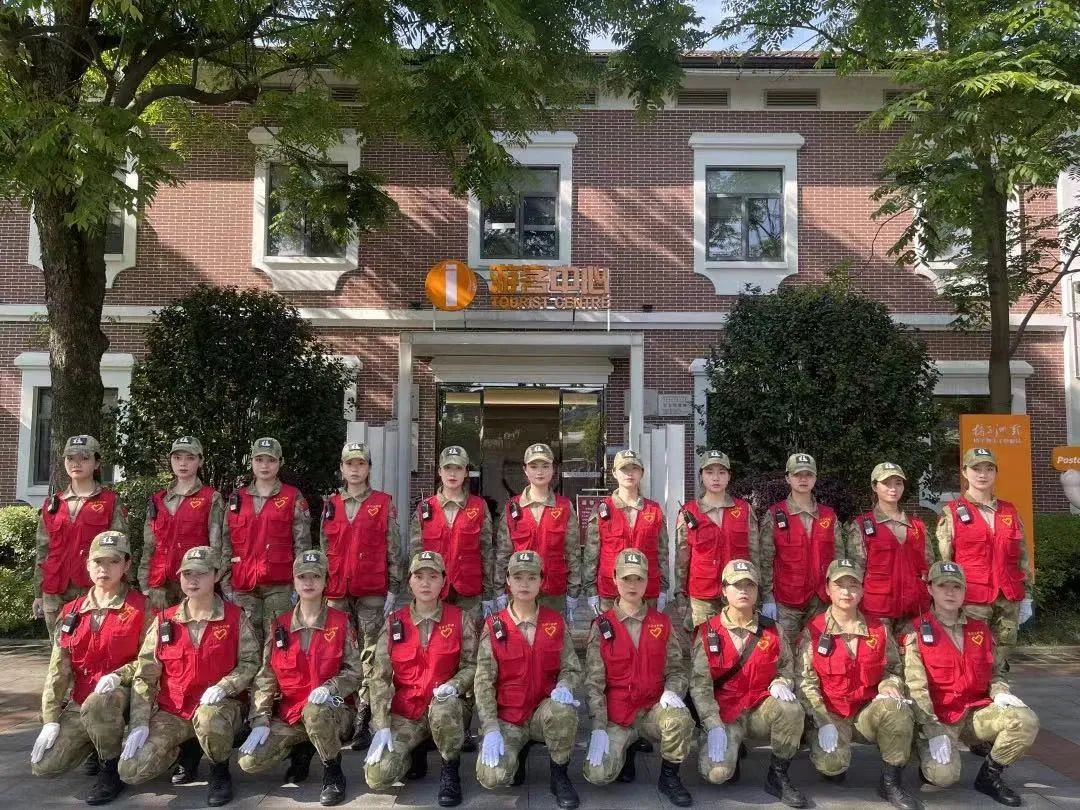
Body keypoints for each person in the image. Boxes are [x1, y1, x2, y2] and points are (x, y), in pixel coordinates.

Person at [118, 546, 260, 807]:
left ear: (216, 575)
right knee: (131, 770)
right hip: (174, 711)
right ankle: (184, 750)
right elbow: (145, 674)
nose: (192, 580)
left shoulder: (234, 617)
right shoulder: (165, 620)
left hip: (219, 708)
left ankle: (219, 770)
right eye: (187, 574)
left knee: (208, 717)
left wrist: (225, 686)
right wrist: (139, 722)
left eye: (201, 574)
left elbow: (251, 663)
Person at [901, 561, 1039, 806]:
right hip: (939, 718)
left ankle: (989, 776)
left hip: (975, 714)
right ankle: (925, 756)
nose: (950, 592)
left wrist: (1000, 692)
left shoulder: (980, 629)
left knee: (1025, 720)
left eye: (957, 587)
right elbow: (915, 688)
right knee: (942, 777)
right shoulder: (915, 631)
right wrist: (932, 731)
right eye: (943, 586)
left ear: (965, 591)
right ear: (930, 589)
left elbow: (996, 673)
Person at [30, 531, 151, 805]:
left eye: (113, 561)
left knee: (99, 704)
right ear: (87, 565)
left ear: (126, 565)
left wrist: (119, 675)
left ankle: (110, 768)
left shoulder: (141, 608)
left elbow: (149, 662)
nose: (103, 569)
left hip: (126, 695)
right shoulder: (71, 612)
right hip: (81, 700)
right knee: (45, 765)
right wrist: (50, 719)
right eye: (98, 562)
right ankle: (95, 744)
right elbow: (57, 670)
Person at [238, 549, 361, 807]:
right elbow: (266, 675)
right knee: (250, 761)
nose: (308, 582)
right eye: (302, 577)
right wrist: (260, 718)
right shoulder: (280, 625)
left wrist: (331, 687)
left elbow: (355, 672)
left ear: (325, 581)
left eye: (315, 577)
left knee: (315, 712)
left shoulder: (340, 622)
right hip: (291, 713)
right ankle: (303, 748)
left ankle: (332, 770)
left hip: (333, 710)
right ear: (293, 581)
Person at [797, 559, 920, 810]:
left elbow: (893, 669)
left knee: (897, 709)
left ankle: (891, 782)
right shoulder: (814, 630)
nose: (846, 592)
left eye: (853, 585)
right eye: (839, 585)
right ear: (827, 589)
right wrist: (822, 720)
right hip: (832, 713)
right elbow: (805, 682)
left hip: (866, 711)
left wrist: (890, 684)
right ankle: (827, 753)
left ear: (862, 590)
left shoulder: (878, 629)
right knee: (831, 765)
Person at [365, 550, 477, 808]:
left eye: (433, 576)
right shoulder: (395, 622)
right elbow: (379, 677)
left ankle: (450, 769)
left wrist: (454, 685)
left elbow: (472, 666)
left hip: (448, 709)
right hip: (408, 712)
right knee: (378, 776)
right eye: (419, 576)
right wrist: (381, 724)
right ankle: (415, 751)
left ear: (443, 582)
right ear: (410, 582)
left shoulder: (460, 619)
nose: (426, 583)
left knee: (444, 707)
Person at [691, 559, 807, 808]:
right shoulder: (708, 632)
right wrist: (712, 725)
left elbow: (787, 667)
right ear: (724, 590)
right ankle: (722, 747)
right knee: (717, 774)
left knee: (791, 709)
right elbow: (700, 686)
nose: (743, 591)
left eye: (749, 585)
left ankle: (778, 776)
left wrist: (781, 682)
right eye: (737, 585)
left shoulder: (773, 630)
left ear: (757, 591)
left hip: (759, 708)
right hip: (725, 714)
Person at [583, 549, 694, 807]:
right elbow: (594, 684)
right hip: (618, 715)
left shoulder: (662, 623)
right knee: (597, 774)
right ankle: (627, 748)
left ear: (647, 581)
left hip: (652, 710)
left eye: (639, 579)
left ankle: (669, 777)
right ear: (614, 578)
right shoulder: (602, 626)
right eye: (626, 578)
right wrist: (598, 727)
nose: (632, 585)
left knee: (679, 719)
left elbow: (677, 670)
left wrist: (672, 691)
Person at [474, 550, 582, 809]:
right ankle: (517, 754)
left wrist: (565, 686)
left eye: (532, 577)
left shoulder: (555, 622)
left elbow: (571, 668)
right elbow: (483, 682)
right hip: (509, 717)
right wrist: (490, 728)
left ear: (541, 581)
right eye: (518, 577)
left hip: (544, 713)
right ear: (508, 581)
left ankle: (559, 775)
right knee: (493, 776)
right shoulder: (494, 625)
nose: (524, 584)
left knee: (564, 711)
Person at [320, 440, 401, 751]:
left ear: (369, 468)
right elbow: (324, 547)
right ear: (341, 468)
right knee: (339, 653)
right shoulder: (331, 504)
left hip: (372, 590)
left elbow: (393, 546)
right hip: (337, 591)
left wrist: (394, 586)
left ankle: (364, 719)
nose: (355, 469)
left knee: (370, 655)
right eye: (349, 464)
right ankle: (341, 712)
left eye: (361, 464)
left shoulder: (382, 502)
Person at [937, 448, 1033, 658]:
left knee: (1001, 659)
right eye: (976, 469)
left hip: (1008, 597)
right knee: (974, 657)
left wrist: (1027, 596)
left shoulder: (1009, 511)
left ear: (996, 473)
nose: (983, 475)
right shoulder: (952, 513)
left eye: (989, 469)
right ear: (965, 472)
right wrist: (947, 600)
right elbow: (945, 564)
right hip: (971, 599)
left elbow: (1022, 556)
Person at [220, 437, 312, 646]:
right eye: (259, 460)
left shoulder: (292, 496)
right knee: (247, 643)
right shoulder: (237, 498)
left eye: (271, 460)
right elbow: (226, 543)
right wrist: (225, 582)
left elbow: (302, 544)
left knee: (278, 641)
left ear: (280, 462)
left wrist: (300, 583)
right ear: (251, 462)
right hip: (243, 584)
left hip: (280, 584)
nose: (264, 465)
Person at [34, 435, 128, 637]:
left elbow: (120, 552)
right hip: (55, 589)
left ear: (97, 463)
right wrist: (38, 593)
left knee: (91, 645)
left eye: (84, 458)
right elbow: (43, 551)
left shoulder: (110, 502)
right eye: (70, 458)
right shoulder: (53, 504)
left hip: (94, 588)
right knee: (58, 648)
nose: (76, 463)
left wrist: (118, 590)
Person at [759, 453, 841, 649]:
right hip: (786, 600)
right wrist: (767, 597)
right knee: (784, 651)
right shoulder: (775, 515)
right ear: (788, 478)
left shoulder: (829, 516)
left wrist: (837, 593)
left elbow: (839, 558)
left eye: (808, 475)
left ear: (815, 478)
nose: (803, 479)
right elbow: (765, 559)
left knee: (819, 652)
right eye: (797, 475)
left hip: (821, 600)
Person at [408, 445, 495, 626]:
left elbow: (486, 551)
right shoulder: (425, 508)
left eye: (458, 468)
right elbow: (415, 554)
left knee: (469, 639)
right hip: (433, 590)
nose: (452, 474)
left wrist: (489, 593)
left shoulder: (479, 507)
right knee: (436, 640)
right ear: (440, 471)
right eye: (448, 468)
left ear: (466, 472)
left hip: (469, 591)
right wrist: (414, 591)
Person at [494, 443, 581, 621]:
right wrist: (499, 590)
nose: (539, 472)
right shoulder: (512, 507)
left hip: (554, 591)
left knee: (552, 636)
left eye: (545, 466)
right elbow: (503, 553)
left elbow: (572, 553)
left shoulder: (564, 506)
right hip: (520, 590)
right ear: (525, 470)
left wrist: (573, 592)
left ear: (553, 469)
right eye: (533, 466)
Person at [675, 450, 761, 628]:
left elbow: (755, 554)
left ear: (729, 476)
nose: (716, 478)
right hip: (702, 595)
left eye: (721, 472)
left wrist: (760, 592)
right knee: (705, 641)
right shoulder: (688, 512)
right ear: (701, 476)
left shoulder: (744, 510)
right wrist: (680, 593)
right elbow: (682, 558)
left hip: (739, 590)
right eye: (709, 472)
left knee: (738, 641)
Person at [140, 436, 224, 611]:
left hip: (195, 581)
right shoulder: (158, 500)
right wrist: (144, 583)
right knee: (160, 627)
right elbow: (149, 545)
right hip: (160, 584)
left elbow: (216, 547)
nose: (183, 463)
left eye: (190, 458)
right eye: (177, 457)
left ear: (200, 461)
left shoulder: (210, 498)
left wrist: (214, 581)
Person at [845, 463, 932, 631]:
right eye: (886, 483)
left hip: (915, 608)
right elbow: (856, 573)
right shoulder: (862, 526)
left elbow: (928, 567)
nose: (893, 488)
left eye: (898, 483)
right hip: (877, 609)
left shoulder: (918, 526)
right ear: (874, 486)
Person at [583, 449, 669, 614]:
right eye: (624, 469)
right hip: (611, 591)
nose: (629, 473)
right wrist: (591, 590)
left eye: (634, 468)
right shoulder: (602, 510)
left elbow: (663, 554)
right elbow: (591, 555)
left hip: (646, 590)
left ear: (641, 473)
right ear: (614, 473)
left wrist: (663, 589)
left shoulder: (654, 510)